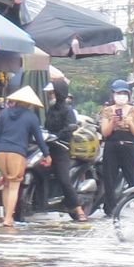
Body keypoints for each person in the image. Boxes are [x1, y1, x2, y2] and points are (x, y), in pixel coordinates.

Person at [0, 86, 46, 227]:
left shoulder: (4, 113)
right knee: (14, 185)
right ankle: (9, 218)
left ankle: (5, 216)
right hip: (17, 153)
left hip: (1, 152)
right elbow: (39, 139)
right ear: (29, 103)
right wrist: (47, 155)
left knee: (6, 185)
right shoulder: (31, 117)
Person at [34, 81, 89, 221]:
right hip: (47, 148)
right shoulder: (51, 110)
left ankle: (79, 209)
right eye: (50, 93)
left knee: (64, 179)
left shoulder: (68, 111)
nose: (50, 95)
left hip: (61, 148)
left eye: (53, 92)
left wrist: (59, 135)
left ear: (59, 93)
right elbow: (46, 127)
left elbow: (71, 127)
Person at [97, 78, 134, 216]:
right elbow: (105, 132)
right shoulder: (107, 111)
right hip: (112, 145)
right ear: (113, 94)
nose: (121, 96)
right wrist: (112, 122)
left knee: (133, 178)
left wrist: (129, 123)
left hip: (128, 145)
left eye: (124, 93)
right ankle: (110, 208)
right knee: (109, 178)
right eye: (118, 93)